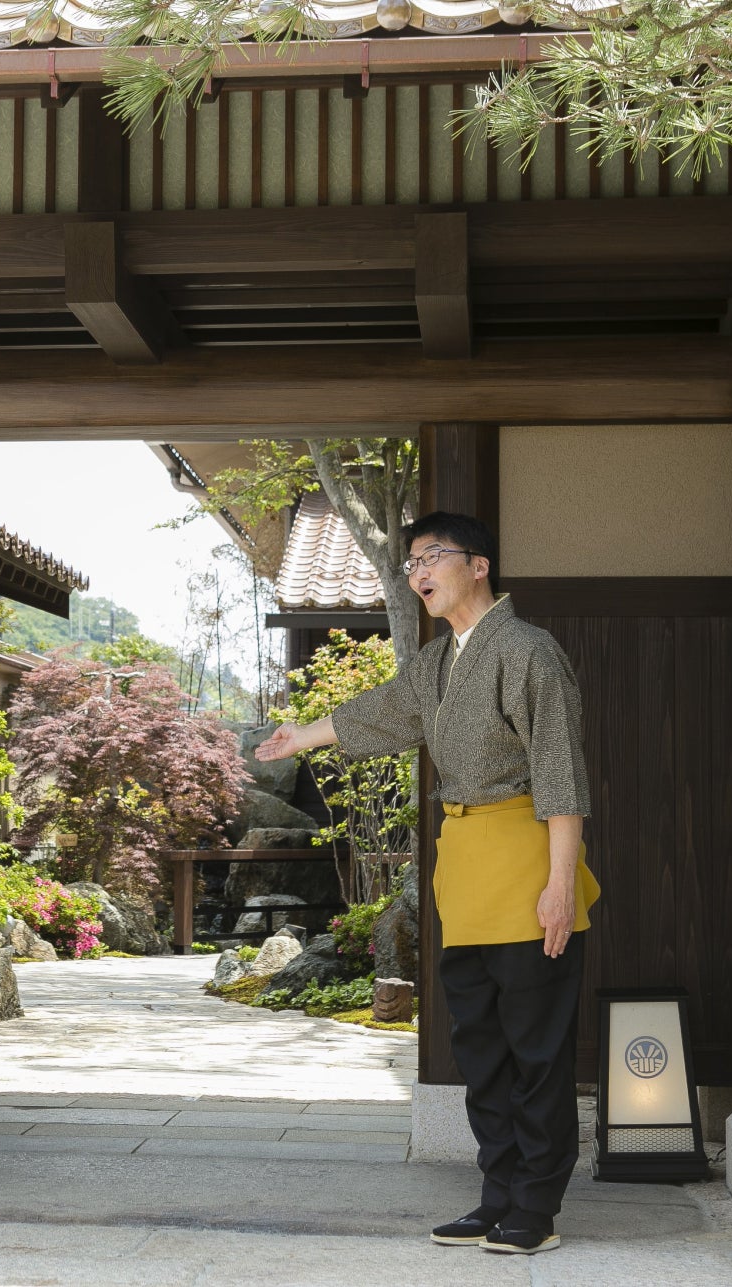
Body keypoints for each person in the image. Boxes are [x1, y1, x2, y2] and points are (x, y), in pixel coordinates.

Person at [256, 510, 598, 1257]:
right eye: (411, 561)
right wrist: (302, 735)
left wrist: (561, 884)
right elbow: (386, 711)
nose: (418, 572)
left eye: (430, 556)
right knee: (481, 1049)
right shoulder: (440, 661)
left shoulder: (529, 651)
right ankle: (497, 1194)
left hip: (527, 860)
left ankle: (535, 1205)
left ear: (478, 565)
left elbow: (561, 773)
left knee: (535, 1050)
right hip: (467, 867)